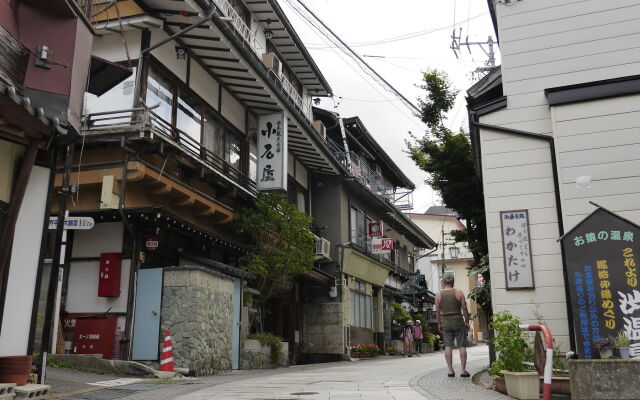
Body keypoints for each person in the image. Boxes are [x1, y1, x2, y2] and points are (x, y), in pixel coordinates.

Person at [435, 273, 471, 377]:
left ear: (443, 282)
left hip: (446, 322)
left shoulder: (438, 295)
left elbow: (437, 311)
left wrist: (439, 323)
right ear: (453, 282)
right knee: (462, 346)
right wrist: (467, 322)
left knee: (448, 346)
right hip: (458, 321)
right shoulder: (459, 292)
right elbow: (464, 308)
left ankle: (450, 370)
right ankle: (463, 370)